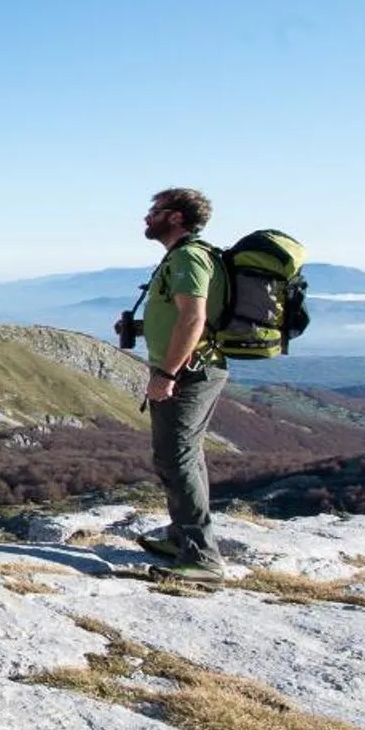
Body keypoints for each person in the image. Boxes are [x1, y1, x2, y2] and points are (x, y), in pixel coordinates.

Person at [136, 188, 227, 578]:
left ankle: (202, 559)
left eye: (154, 211)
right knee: (178, 456)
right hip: (192, 370)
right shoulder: (182, 255)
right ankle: (181, 538)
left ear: (175, 217)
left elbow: (193, 319)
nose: (146, 218)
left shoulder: (189, 256)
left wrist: (168, 374)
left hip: (189, 374)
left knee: (178, 458)